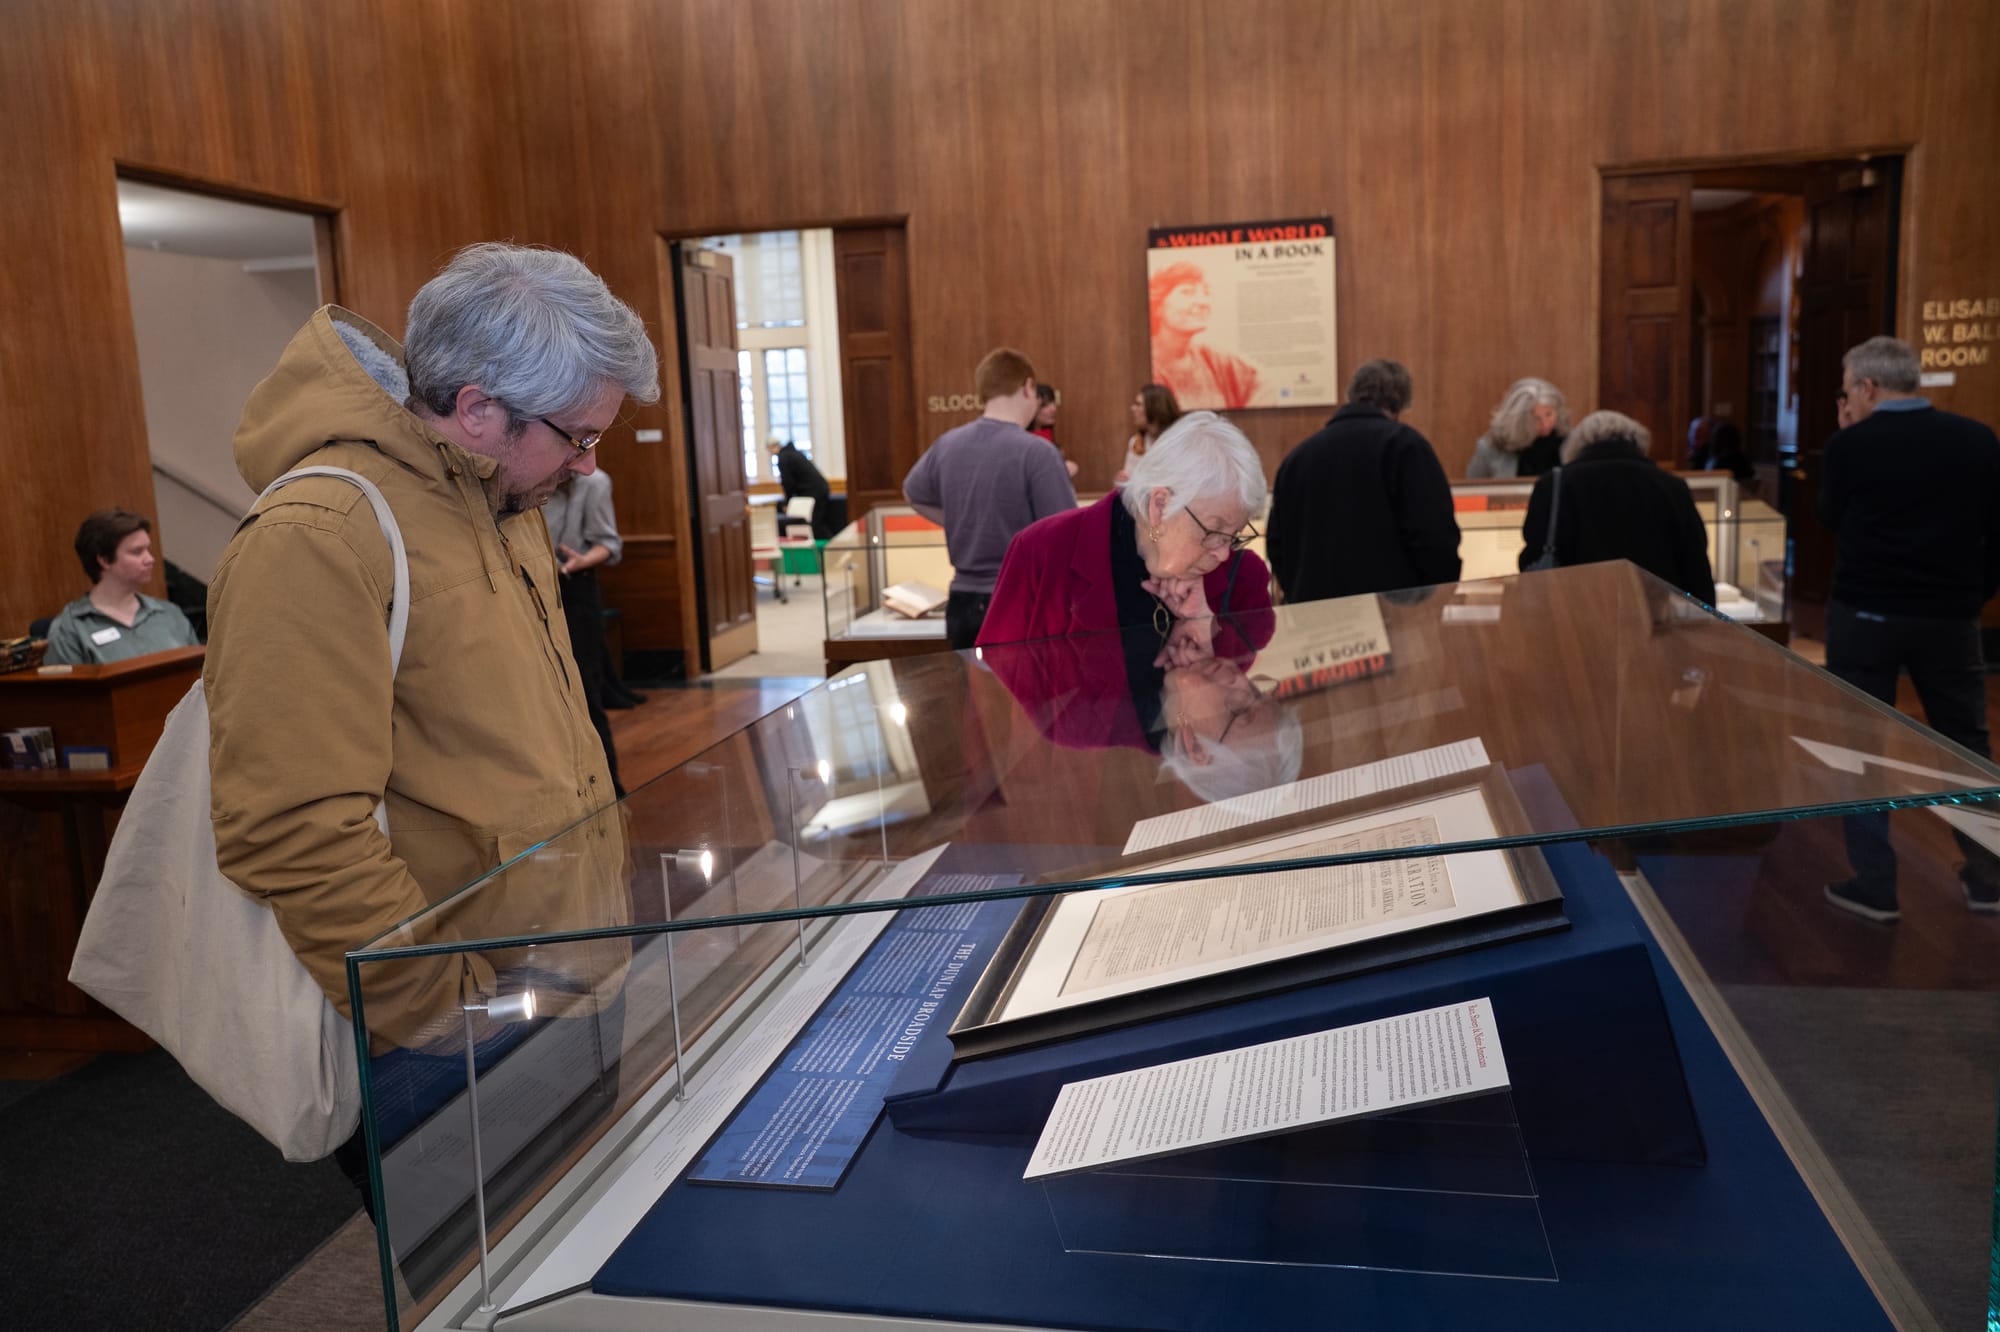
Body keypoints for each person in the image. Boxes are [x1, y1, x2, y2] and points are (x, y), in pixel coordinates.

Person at [203, 245, 657, 1185]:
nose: (584, 463)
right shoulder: (319, 535)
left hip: (565, 976)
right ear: (478, 408)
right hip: (456, 1025)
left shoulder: (503, 496)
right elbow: (288, 826)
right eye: (576, 435)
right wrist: (439, 1012)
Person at [1817, 335, 2000, 922]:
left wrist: (1847, 435)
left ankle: (1875, 885)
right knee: (1964, 743)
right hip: (1950, 616)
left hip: (1866, 615)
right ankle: (1989, 877)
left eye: (1846, 391)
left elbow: (1826, 518)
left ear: (1867, 388)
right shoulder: (1976, 439)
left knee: (1860, 745)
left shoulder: (1852, 446)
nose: (1844, 402)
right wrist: (1974, 594)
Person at [979, 410, 1276, 665]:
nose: (1224, 553)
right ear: (1160, 506)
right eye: (1214, 532)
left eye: (1234, 535)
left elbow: (1246, 698)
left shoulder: (1243, 576)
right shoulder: (1042, 551)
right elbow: (996, 691)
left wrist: (1203, 627)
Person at [903, 347, 1077, 648]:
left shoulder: (948, 444)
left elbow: (912, 492)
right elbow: (1066, 537)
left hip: (961, 602)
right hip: (1021, 600)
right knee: (1025, 696)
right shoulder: (1037, 452)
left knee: (970, 694)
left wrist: (955, 520)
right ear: (1028, 388)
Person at [1266, 359, 1462, 604]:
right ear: (1402, 402)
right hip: (1391, 615)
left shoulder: (1297, 458)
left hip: (1315, 619)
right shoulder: (1406, 447)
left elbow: (1277, 544)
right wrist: (1432, 597)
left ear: (1351, 394)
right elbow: (1434, 536)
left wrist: (1299, 592)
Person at [1516, 410, 1715, 603]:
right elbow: (1695, 563)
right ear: (1637, 441)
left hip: (1576, 614)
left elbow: (1533, 554)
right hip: (1654, 614)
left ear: (1577, 444)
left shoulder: (1554, 484)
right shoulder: (1671, 486)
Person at [544, 467, 626, 795]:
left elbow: (608, 543)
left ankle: (609, 793)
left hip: (575, 587)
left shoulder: (594, 482)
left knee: (584, 694)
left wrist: (582, 561)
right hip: (529, 587)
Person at [44, 509, 201, 665]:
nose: (150, 559)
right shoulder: (70, 629)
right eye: (137, 552)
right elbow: (65, 689)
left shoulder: (170, 614)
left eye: (148, 550)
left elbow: (203, 678)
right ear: (104, 560)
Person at [1148, 261, 1263, 410]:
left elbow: (1261, 386)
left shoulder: (1214, 359)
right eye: (1187, 292)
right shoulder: (1144, 362)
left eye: (1206, 292)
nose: (1202, 302)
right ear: (1158, 306)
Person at [1467, 377, 1570, 478]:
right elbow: (1473, 489)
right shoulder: (1491, 448)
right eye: (1535, 419)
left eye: (1549, 414)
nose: (1545, 423)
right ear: (1518, 420)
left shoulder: (1571, 442)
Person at [767, 434, 834, 538]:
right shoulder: (793, 453)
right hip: (820, 489)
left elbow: (788, 483)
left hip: (813, 492)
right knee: (817, 522)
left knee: (815, 525)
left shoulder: (783, 458)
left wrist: (787, 502)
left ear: (771, 447)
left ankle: (829, 549)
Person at [1116, 383, 1182, 484]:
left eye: (1138, 404)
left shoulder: (1180, 442)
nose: (1133, 408)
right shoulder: (1136, 443)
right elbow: (1129, 485)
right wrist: (1124, 482)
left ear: (1155, 408)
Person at [1028, 382, 1080, 479]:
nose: (1053, 408)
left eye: (1053, 402)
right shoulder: (1026, 441)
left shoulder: (1048, 434)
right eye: (1045, 405)